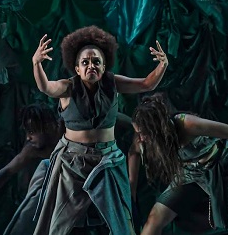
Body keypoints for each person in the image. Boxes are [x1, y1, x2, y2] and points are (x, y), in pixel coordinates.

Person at [31, 25, 169, 235]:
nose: (91, 66)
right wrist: (36, 63)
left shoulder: (112, 83)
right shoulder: (68, 87)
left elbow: (146, 85)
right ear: (77, 68)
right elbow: (46, 87)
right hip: (72, 162)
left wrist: (162, 65)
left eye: (96, 62)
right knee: (61, 224)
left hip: (108, 159)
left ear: (104, 67)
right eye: (85, 62)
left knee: (120, 220)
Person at [129, 95, 228, 235]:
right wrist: (132, 187)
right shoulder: (146, 139)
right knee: (155, 219)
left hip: (223, 168)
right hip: (190, 173)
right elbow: (133, 152)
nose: (140, 137)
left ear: (155, 127)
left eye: (142, 132)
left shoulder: (186, 123)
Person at [0, 104, 64, 234]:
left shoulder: (68, 132)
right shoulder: (32, 149)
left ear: (48, 126)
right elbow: (7, 171)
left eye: (31, 131)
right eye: (27, 132)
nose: (28, 137)